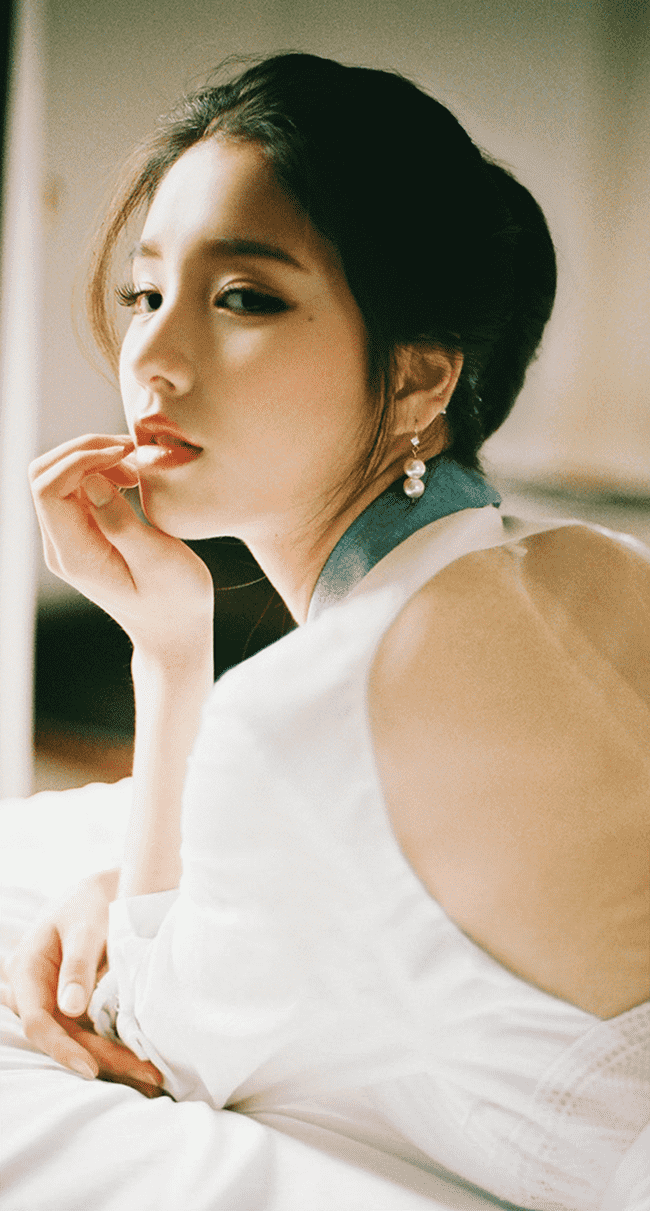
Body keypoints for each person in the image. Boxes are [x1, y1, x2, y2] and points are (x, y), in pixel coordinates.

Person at [2, 52, 649, 1211]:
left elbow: (155, 1035)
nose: (152, 357)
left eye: (244, 296)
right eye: (145, 293)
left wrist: (169, 650)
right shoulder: (605, 563)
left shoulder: (303, 715)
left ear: (419, 378)